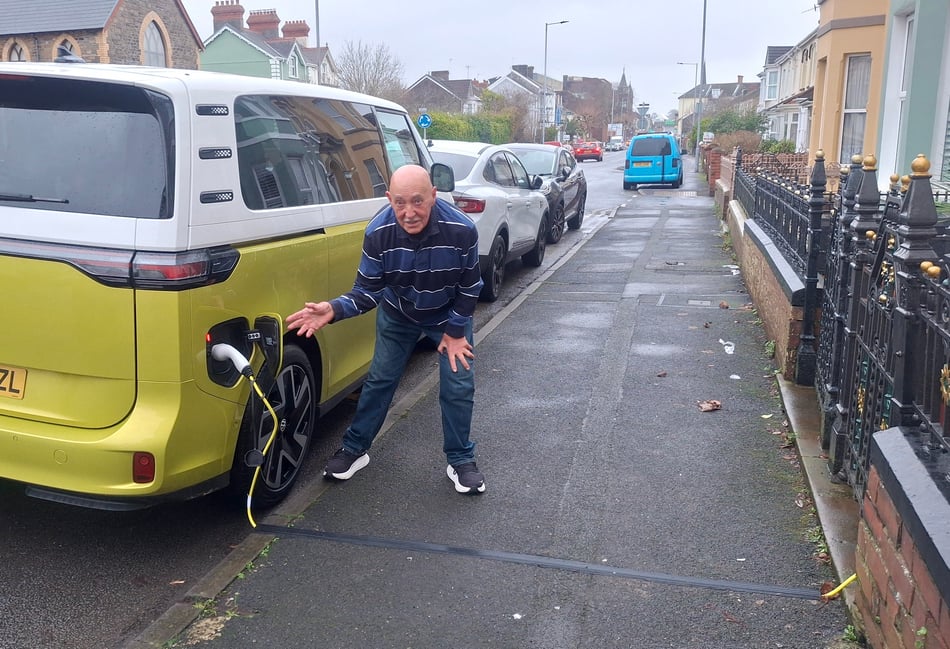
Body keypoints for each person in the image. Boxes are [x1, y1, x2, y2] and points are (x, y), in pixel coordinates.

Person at [286, 164, 486, 494]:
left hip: (448, 319)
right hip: (399, 315)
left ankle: (461, 459)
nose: (409, 213)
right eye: (400, 203)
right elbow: (367, 292)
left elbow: (470, 286)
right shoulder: (378, 233)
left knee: (458, 387)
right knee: (379, 381)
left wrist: (454, 331)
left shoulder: (462, 229)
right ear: (389, 199)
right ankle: (354, 450)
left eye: (418, 201)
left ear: (434, 196)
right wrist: (334, 308)